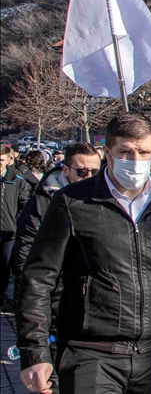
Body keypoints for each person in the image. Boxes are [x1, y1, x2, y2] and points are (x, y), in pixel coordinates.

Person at [16, 113, 151, 394]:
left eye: (143, 152)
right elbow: (38, 279)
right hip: (91, 354)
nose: (135, 161)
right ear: (108, 153)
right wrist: (35, 352)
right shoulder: (72, 202)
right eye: (125, 152)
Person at [9, 142, 101, 387]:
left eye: (95, 171)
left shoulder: (104, 199)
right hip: (55, 305)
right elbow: (25, 258)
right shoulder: (43, 201)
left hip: (94, 309)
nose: (89, 177)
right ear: (66, 170)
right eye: (82, 171)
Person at [1, 145, 30, 310]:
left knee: (5, 265)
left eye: (1, 160)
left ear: (8, 161)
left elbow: (24, 204)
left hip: (9, 230)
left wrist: (17, 222)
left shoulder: (16, 180)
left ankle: (2, 292)